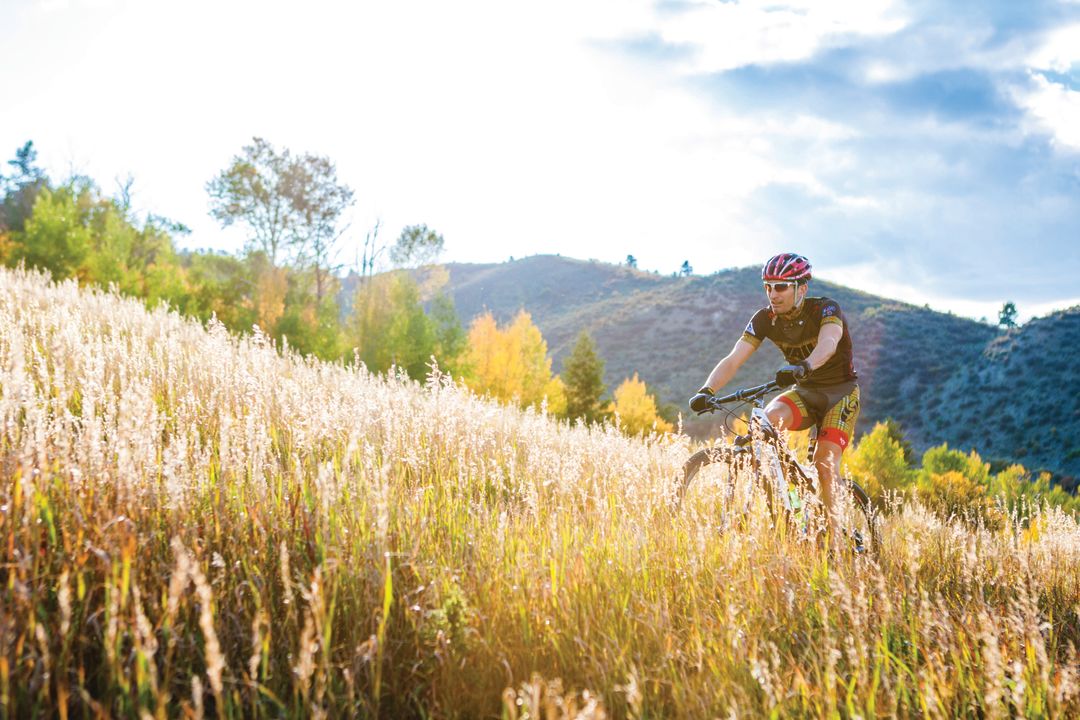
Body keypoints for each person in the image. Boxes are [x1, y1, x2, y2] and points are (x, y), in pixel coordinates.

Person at [689, 252, 860, 539]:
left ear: (801, 288)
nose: (773, 294)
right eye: (768, 286)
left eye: (781, 286)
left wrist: (804, 365)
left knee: (824, 464)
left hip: (840, 394)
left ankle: (838, 545)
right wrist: (707, 390)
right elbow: (734, 359)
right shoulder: (765, 318)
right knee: (764, 425)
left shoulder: (826, 310)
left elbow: (829, 343)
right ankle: (792, 501)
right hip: (805, 392)